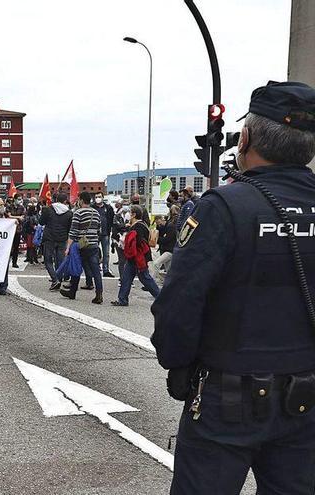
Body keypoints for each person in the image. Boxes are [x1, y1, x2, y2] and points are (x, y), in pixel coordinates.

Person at [152, 81, 315, 494]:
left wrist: (178, 365)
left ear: (245, 139)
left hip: (228, 400)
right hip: (307, 403)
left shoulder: (224, 207)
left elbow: (179, 304)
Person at [110, 205, 160, 306]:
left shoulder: (138, 226)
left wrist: (125, 240)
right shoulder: (141, 225)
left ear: (134, 214)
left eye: (130, 212)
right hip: (135, 257)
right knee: (126, 278)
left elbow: (137, 242)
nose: (129, 214)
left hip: (138, 257)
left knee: (145, 278)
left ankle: (161, 298)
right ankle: (122, 299)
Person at [60, 191, 103, 304]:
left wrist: (68, 247)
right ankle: (99, 294)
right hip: (93, 245)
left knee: (76, 266)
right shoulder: (96, 213)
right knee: (96, 270)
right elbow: (99, 230)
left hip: (81, 245)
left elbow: (73, 232)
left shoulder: (78, 213)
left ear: (82, 201)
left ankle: (72, 292)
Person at [40, 193, 73, 291]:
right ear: (65, 201)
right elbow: (69, 228)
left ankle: (55, 280)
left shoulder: (48, 209)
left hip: (49, 238)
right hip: (62, 238)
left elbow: (41, 222)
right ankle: (58, 278)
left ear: (56, 199)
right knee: (60, 261)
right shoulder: (69, 213)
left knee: (48, 260)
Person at [151, 207, 178, 282]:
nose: (157, 224)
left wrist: (156, 239)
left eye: (157, 222)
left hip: (170, 250)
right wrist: (158, 229)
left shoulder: (170, 226)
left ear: (160, 219)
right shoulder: (163, 227)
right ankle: (170, 283)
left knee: (156, 263)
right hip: (167, 250)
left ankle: (151, 282)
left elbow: (167, 239)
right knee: (169, 270)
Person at [93, 192, 116, 278]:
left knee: (106, 253)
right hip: (95, 234)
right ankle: (96, 268)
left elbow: (112, 220)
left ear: (103, 197)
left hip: (105, 233)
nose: (97, 198)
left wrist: (112, 232)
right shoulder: (92, 207)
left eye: (99, 196)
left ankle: (106, 270)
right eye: (96, 197)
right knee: (95, 252)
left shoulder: (108, 208)